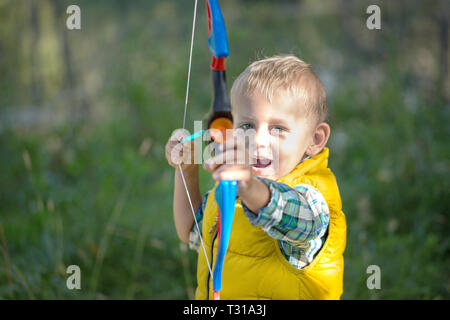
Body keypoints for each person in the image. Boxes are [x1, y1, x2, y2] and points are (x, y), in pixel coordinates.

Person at [165, 55, 346, 299]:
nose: (258, 140)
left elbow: (295, 218)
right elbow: (190, 231)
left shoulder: (312, 198)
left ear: (315, 139)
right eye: (247, 126)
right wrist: (186, 171)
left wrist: (249, 185)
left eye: (278, 129)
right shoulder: (232, 191)